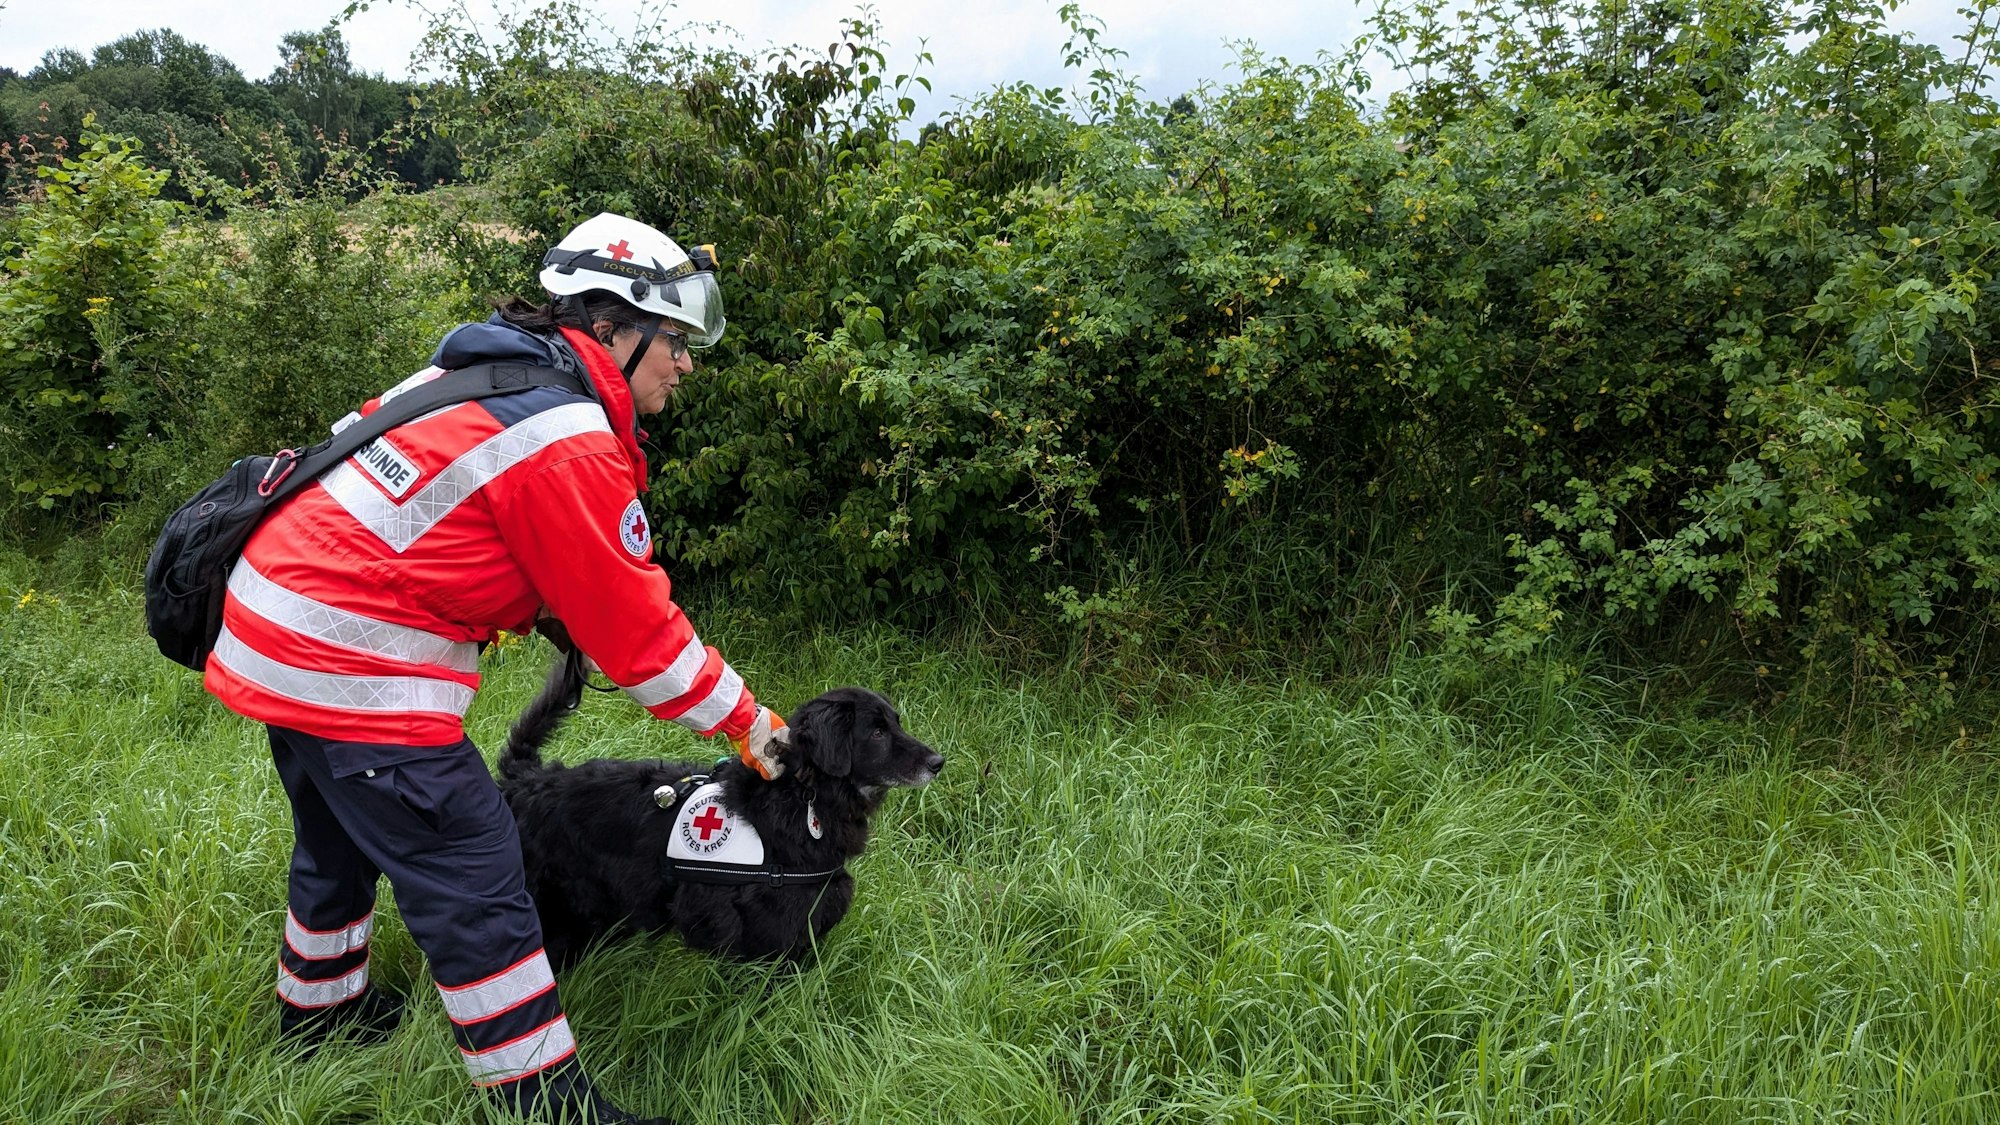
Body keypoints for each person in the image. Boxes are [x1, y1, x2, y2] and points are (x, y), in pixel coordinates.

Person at [203, 213, 789, 1124]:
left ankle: (317, 1020)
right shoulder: (565, 437)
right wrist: (754, 726)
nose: (684, 363)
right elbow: (646, 644)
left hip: (276, 630)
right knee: (478, 872)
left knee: (339, 834)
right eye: (673, 339)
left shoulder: (492, 374)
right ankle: (547, 1103)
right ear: (612, 327)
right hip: (347, 660)